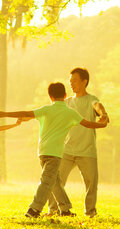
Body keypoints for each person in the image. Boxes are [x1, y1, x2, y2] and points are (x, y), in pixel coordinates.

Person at [0, 82, 108, 218]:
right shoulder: (70, 113)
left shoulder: (46, 110)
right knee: (49, 181)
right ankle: (49, 209)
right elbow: (88, 124)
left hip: (42, 152)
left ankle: (50, 209)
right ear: (65, 95)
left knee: (52, 182)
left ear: (50, 97)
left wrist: (3, 114)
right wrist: (102, 124)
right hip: (55, 154)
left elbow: (25, 113)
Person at [47, 67, 110, 218]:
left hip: (87, 150)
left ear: (84, 82)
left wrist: (103, 114)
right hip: (66, 150)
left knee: (91, 183)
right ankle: (53, 210)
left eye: (74, 80)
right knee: (54, 179)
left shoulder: (91, 100)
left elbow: (98, 106)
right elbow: (50, 112)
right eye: (69, 81)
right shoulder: (66, 102)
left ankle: (90, 212)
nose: (71, 84)